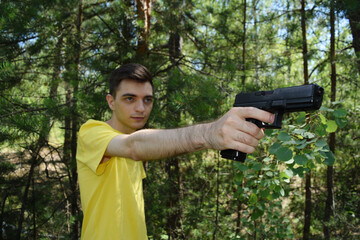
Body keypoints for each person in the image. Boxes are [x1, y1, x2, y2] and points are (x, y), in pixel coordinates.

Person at [76, 63, 274, 239]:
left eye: (147, 100)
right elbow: (133, 146)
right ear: (111, 101)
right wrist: (207, 134)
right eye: (130, 99)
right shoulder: (92, 132)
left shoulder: (137, 143)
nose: (140, 108)